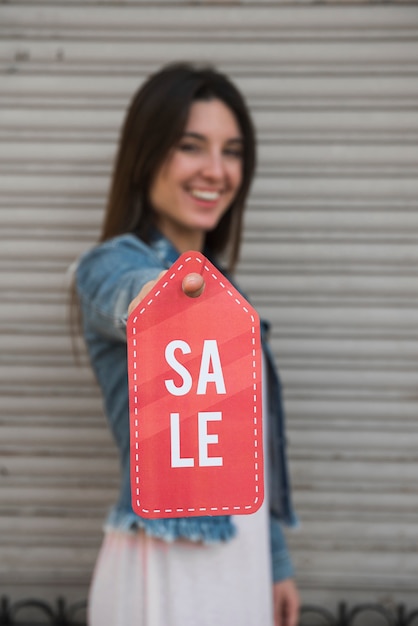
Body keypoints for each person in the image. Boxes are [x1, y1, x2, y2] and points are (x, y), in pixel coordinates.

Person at [74, 62, 300, 626]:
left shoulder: (229, 291)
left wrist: (275, 562)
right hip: (168, 560)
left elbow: (252, 453)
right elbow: (122, 296)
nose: (217, 170)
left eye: (233, 151)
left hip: (240, 561)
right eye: (191, 146)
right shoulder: (114, 264)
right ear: (147, 155)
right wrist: (161, 297)